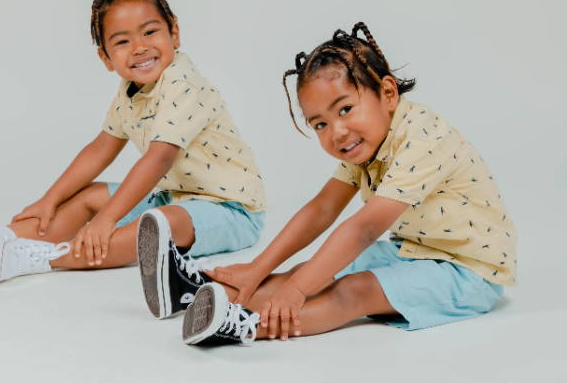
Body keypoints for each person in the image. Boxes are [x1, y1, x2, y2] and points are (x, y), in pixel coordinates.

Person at [139, 22, 517, 346]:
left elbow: (365, 226)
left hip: (468, 272)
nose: (337, 132)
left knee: (351, 290)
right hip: (413, 251)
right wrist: (259, 267)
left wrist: (298, 292)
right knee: (307, 272)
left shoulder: (423, 137)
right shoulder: (365, 145)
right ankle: (194, 293)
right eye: (319, 124)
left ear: (387, 93)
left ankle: (244, 326)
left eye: (346, 109)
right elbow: (321, 209)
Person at [0, 0, 266, 291]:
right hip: (172, 194)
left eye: (150, 32)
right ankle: (2, 238)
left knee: (159, 226)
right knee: (89, 196)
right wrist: (48, 200)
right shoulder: (130, 90)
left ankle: (46, 257)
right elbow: (100, 148)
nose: (140, 47)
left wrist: (106, 220)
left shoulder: (183, 83)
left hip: (229, 210)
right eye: (123, 41)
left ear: (174, 31)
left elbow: (160, 157)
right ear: (105, 57)